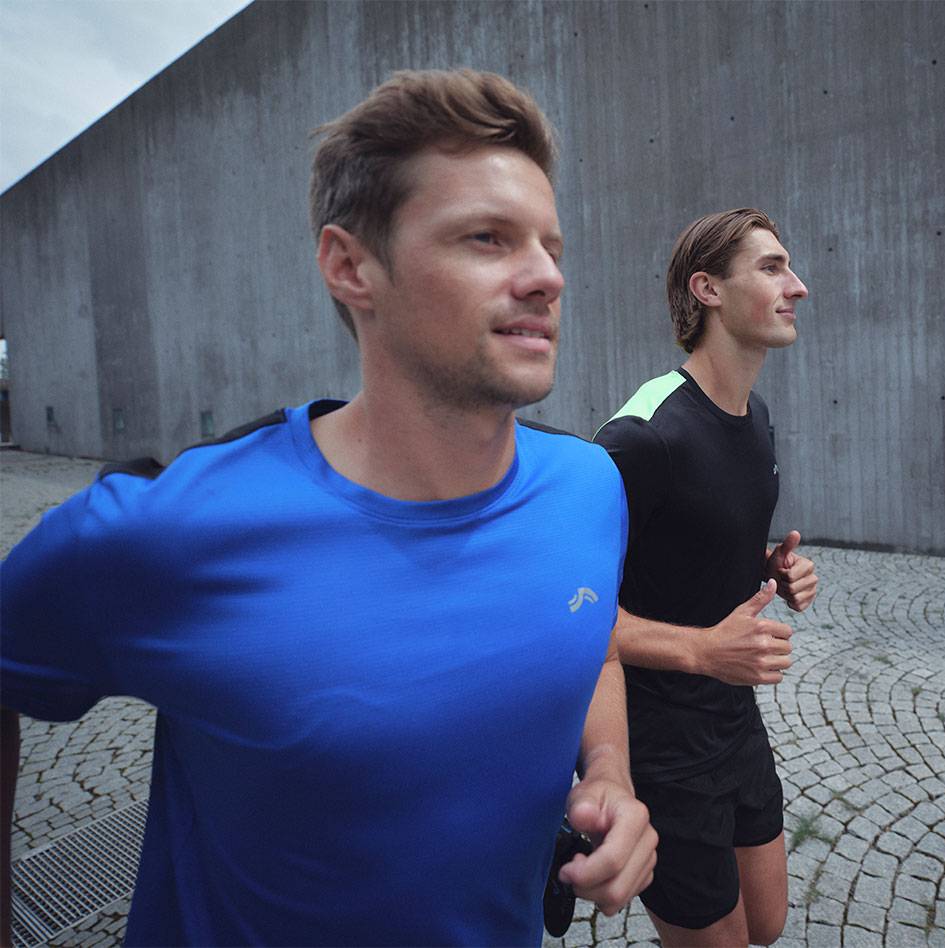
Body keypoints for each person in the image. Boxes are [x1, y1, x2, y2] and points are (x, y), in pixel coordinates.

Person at [1, 69, 656, 946]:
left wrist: (609, 769)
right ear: (351, 266)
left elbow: (593, 641)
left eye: (551, 246)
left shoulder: (589, 488)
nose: (545, 277)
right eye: (488, 239)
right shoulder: (174, 530)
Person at [593, 208, 819, 945]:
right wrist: (699, 651)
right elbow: (573, 611)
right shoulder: (641, 437)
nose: (798, 286)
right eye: (773, 267)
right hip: (660, 743)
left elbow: (690, 545)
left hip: (734, 722)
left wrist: (768, 568)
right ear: (708, 289)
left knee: (769, 924)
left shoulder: (756, 416)